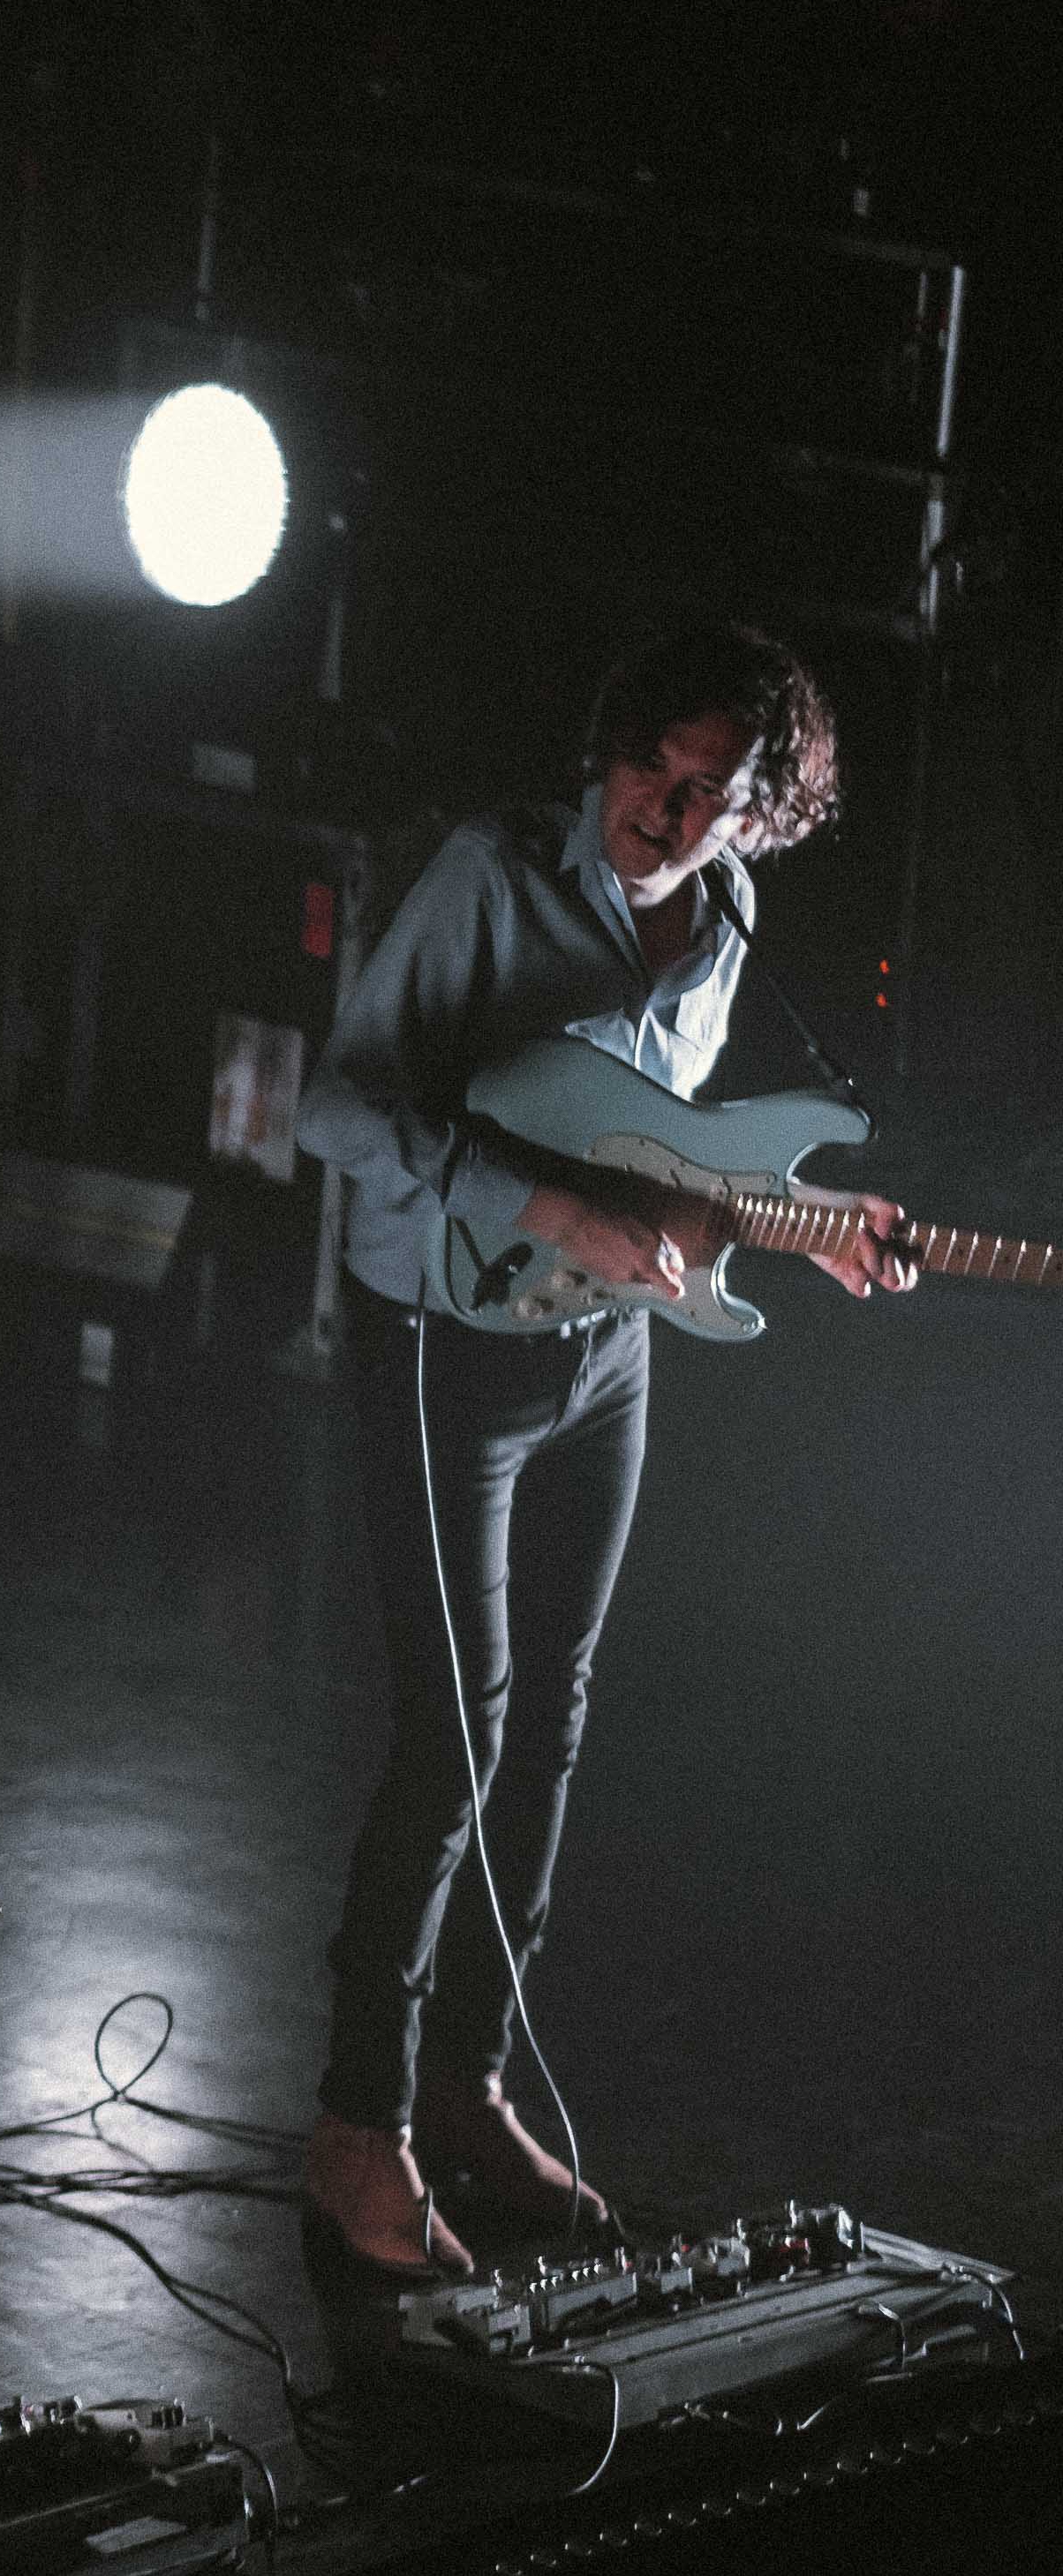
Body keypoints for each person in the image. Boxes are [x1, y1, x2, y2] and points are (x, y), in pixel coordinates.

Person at [295, 624, 909, 2273]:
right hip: (443, 1338)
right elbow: (336, 1106)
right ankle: (355, 2130)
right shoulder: (489, 879)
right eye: (654, 767)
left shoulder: (730, 921)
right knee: (455, 1739)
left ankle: (468, 2088)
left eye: (716, 792)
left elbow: (659, 1161)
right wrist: (545, 1204)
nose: (671, 811)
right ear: (612, 749)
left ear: (764, 811)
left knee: (549, 1732)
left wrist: (799, 1226)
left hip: (605, 1357)